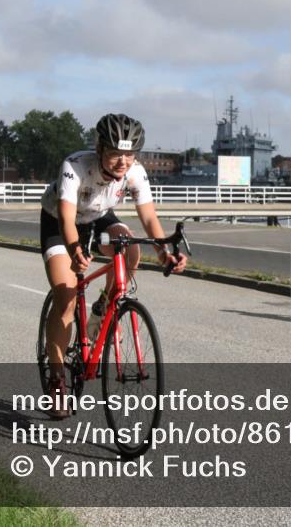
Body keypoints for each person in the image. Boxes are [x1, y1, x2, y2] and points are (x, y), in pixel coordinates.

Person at [40, 113, 187, 417]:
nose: (123, 161)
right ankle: (56, 379)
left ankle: (102, 309)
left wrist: (164, 253)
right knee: (66, 296)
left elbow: (148, 217)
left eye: (130, 154)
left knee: (131, 248)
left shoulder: (135, 172)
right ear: (99, 149)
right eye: (115, 154)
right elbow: (66, 217)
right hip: (60, 222)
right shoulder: (75, 166)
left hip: (97, 218)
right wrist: (74, 249)